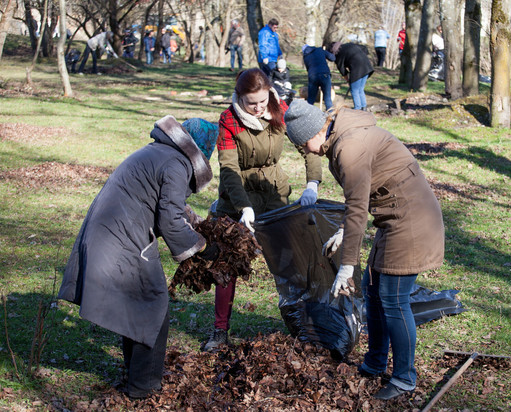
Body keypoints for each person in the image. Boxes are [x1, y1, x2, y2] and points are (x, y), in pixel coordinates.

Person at [283, 99, 444, 401]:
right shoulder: (339, 136)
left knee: (394, 300)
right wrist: (345, 231)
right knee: (373, 291)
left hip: (412, 219)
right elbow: (362, 194)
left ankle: (405, 378)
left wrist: (346, 266)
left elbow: (357, 207)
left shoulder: (349, 147)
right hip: (392, 216)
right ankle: (374, 363)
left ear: (314, 132)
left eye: (302, 144)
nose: (304, 151)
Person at [57, 116, 220, 399]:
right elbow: (170, 220)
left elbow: (169, 205)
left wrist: (194, 226)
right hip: (119, 236)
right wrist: (204, 248)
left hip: (111, 229)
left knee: (138, 305)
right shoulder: (176, 163)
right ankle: (143, 386)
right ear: (201, 152)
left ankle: (137, 378)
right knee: (151, 305)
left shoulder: (161, 152)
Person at [203, 68, 323, 352]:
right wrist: (243, 207)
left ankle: (304, 324)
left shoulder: (280, 110)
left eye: (261, 100)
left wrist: (313, 183)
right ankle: (220, 331)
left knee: (290, 260)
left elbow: (308, 147)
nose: (257, 108)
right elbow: (229, 168)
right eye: (250, 102)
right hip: (237, 198)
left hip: (274, 194)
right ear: (239, 97)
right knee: (227, 264)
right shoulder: (229, 119)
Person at [330, 41, 374, 111]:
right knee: (360, 89)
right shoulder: (349, 45)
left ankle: (357, 109)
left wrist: (346, 78)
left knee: (354, 90)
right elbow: (364, 48)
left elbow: (341, 68)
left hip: (358, 69)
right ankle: (364, 107)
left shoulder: (339, 54)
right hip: (367, 66)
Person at [302, 44, 335, 110]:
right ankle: (331, 117)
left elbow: (308, 69)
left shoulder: (305, 57)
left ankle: (307, 115)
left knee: (311, 99)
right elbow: (333, 58)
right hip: (324, 74)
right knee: (327, 98)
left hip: (313, 76)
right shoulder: (320, 50)